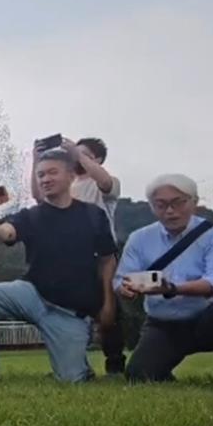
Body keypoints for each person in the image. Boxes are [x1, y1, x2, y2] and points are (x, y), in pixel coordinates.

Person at [0, 148, 117, 382]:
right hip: (32, 295)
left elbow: (108, 260)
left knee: (72, 379)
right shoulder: (31, 216)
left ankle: (79, 366)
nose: (46, 179)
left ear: (70, 176)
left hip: (69, 312)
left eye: (52, 173)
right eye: (40, 175)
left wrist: (108, 303)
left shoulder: (93, 215)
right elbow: (6, 234)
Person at [115, 174, 213, 382]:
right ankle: (162, 372)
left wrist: (172, 289)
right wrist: (124, 289)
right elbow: (121, 278)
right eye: (160, 204)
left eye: (178, 202)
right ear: (151, 206)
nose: (170, 211)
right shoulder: (139, 238)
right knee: (139, 376)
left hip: (209, 318)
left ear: (194, 202)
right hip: (164, 323)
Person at [31, 136, 126, 373]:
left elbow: (105, 182)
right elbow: (39, 198)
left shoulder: (103, 183)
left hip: (102, 256)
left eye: (84, 154)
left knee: (109, 312)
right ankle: (74, 362)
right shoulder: (67, 186)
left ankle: (115, 364)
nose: (75, 157)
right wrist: (36, 161)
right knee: (71, 311)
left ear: (98, 159)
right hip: (70, 258)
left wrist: (76, 153)